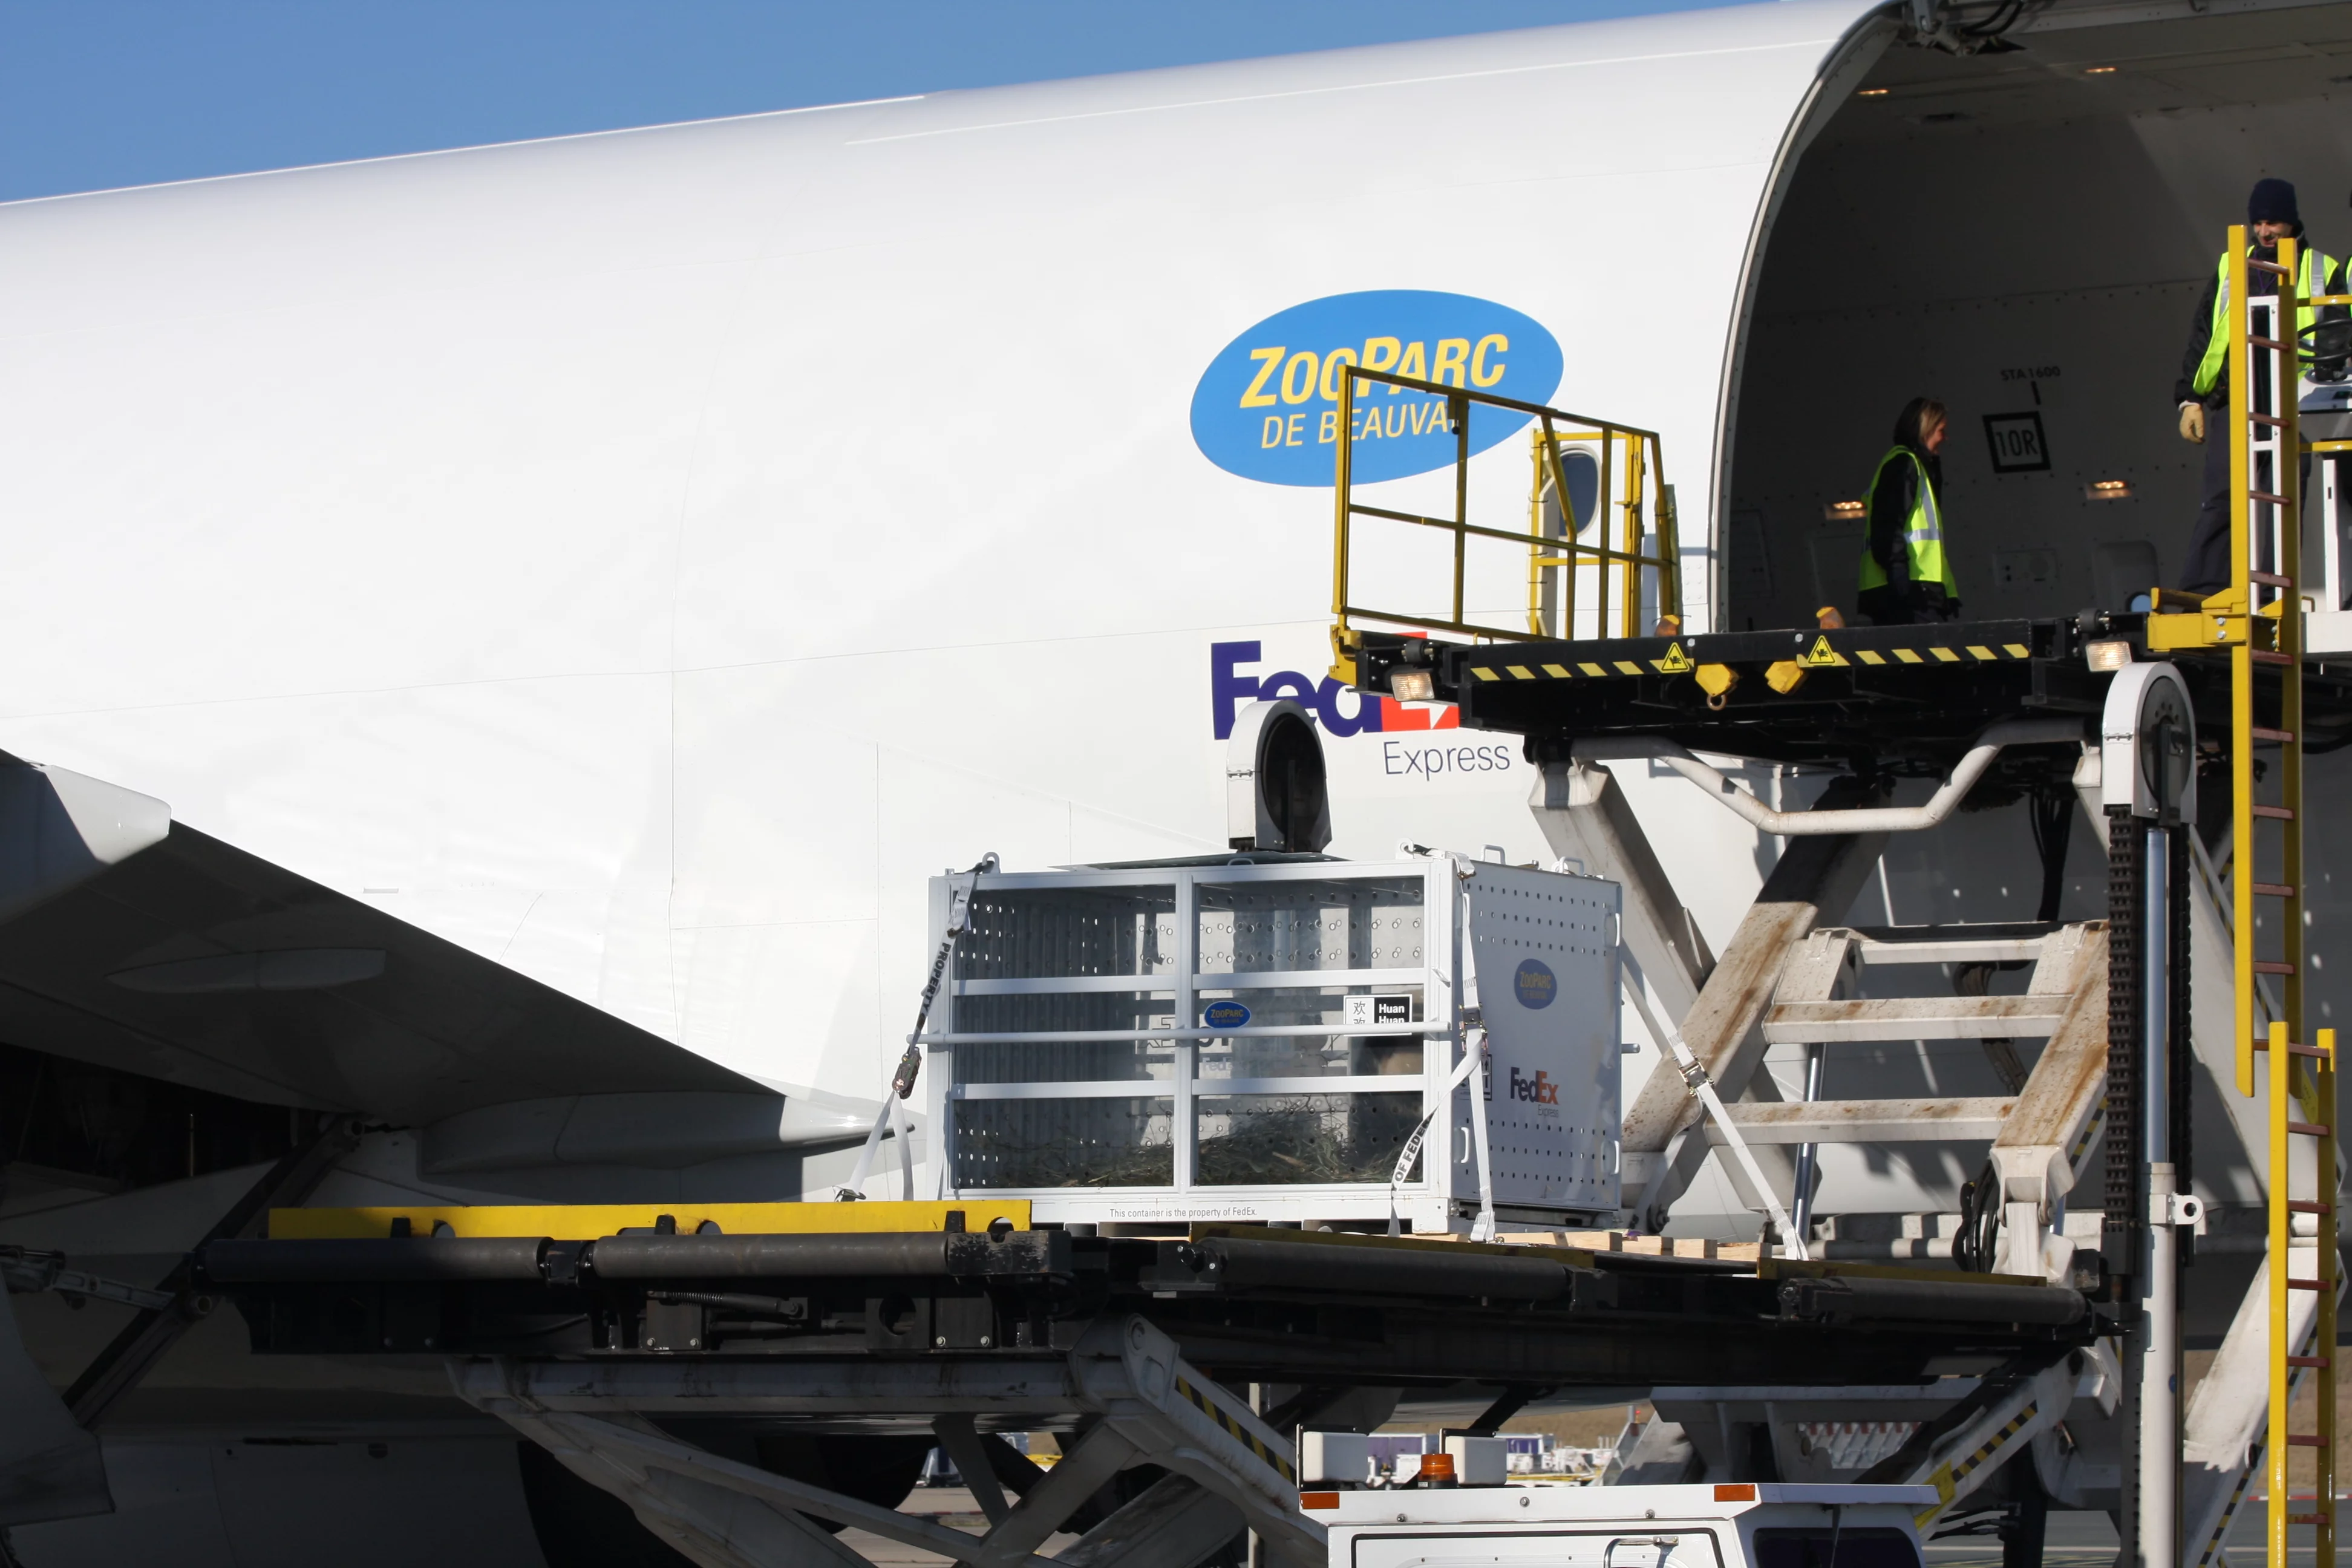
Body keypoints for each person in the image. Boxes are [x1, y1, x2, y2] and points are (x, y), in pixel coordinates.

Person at [2174, 178, 2344, 597]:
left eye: (2274, 222)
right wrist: (2189, 399)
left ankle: (2272, 592)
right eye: (2260, 223)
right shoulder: (2232, 266)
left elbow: (2338, 339)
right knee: (2223, 496)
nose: (2265, 231)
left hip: (2295, 399)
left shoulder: (2323, 268)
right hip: (2238, 396)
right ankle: (2204, 589)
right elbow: (2205, 334)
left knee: (2283, 496)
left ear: (2292, 222)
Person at [1857, 397, 1958, 625]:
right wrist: (1899, 575)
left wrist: (1948, 595)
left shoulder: (1916, 466)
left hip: (1913, 589)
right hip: (1905, 590)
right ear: (1926, 429)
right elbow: (1888, 525)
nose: (1945, 438)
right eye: (1941, 430)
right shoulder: (1903, 464)